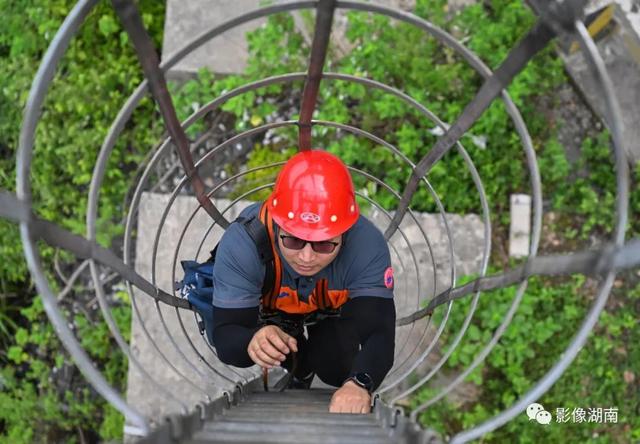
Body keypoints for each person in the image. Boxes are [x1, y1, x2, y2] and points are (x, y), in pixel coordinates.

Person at [210, 150, 396, 414]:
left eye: (323, 243)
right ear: (277, 225)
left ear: (345, 233)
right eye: (293, 240)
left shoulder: (366, 245)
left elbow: (379, 331)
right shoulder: (245, 242)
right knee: (242, 352)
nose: (307, 258)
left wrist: (359, 383)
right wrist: (252, 340)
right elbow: (226, 332)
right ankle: (299, 367)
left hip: (329, 312)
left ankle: (310, 362)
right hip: (269, 310)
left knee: (336, 370)